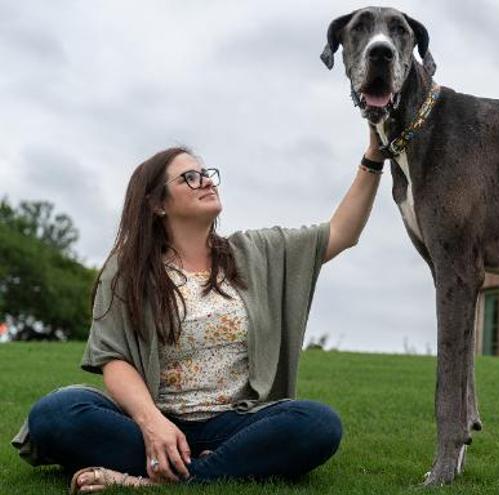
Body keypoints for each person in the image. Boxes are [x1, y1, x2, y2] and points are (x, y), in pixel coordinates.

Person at [11, 128, 387, 493]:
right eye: (189, 178)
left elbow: (342, 233)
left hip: (235, 425)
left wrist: (374, 156)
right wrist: (152, 423)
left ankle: (157, 479)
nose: (206, 181)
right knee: (54, 413)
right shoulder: (128, 269)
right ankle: (206, 467)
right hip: (151, 423)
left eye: (206, 173)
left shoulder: (255, 253)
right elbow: (114, 359)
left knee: (318, 423)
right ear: (157, 204)